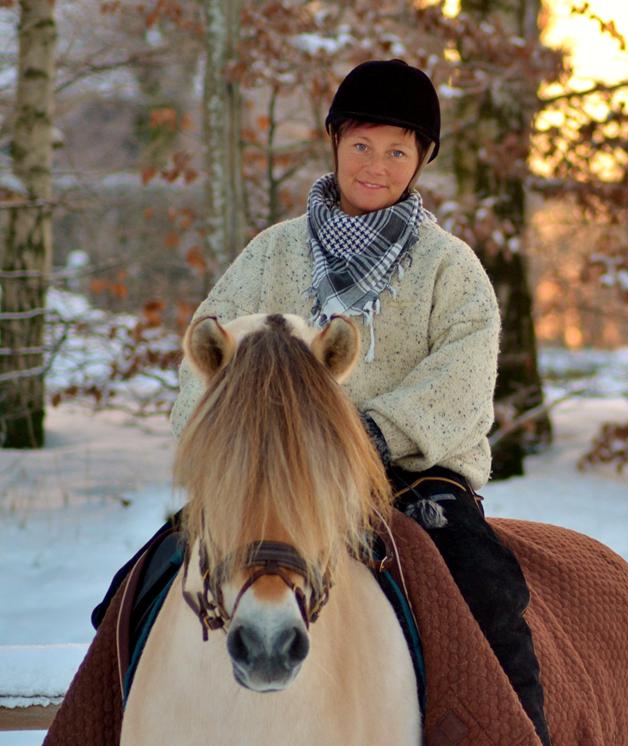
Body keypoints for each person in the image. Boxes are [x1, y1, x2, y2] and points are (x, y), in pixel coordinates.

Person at [95, 59, 551, 744]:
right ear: (335, 143)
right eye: (362, 145)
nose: (378, 165)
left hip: (406, 476)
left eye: (399, 150)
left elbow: (462, 385)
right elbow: (206, 352)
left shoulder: (450, 268)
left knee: (488, 598)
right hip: (269, 473)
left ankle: (518, 732)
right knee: (131, 592)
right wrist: (221, 442)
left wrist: (364, 435)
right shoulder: (272, 254)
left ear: (422, 159)